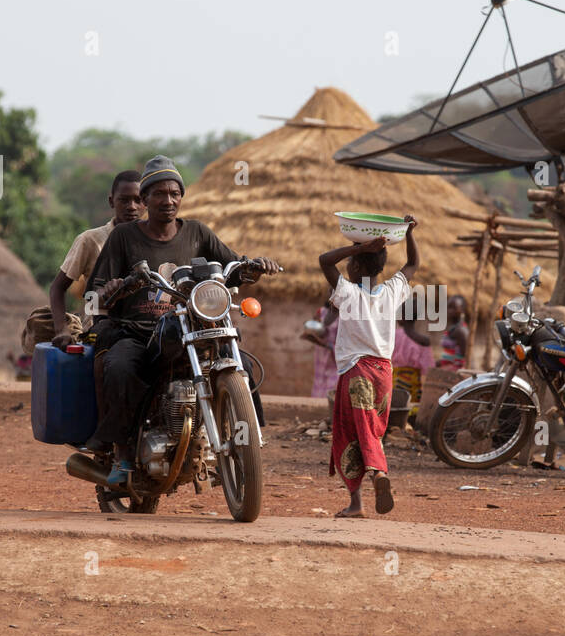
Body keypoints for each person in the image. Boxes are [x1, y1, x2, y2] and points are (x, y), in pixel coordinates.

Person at [86, 155, 281, 486]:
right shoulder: (123, 237)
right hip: (137, 332)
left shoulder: (197, 233)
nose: (168, 200)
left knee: (242, 366)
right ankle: (122, 454)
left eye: (174, 193)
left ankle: (247, 441)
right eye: (159, 194)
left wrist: (254, 267)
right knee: (119, 367)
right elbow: (92, 296)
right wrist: (113, 289)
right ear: (145, 199)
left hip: (188, 325)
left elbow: (233, 268)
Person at [319, 216, 419, 518]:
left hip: (356, 373)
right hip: (384, 374)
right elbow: (413, 264)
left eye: (353, 259)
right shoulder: (392, 291)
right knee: (371, 429)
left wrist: (357, 248)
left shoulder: (349, 293)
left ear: (357, 267)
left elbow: (324, 261)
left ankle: (374, 479)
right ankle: (364, 494)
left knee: (353, 432)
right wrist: (410, 233)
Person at [49, 169, 143, 349]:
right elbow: (57, 287)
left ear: (146, 201)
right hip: (98, 327)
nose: (132, 206)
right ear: (111, 201)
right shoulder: (90, 240)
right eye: (124, 200)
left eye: (138, 200)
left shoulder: (154, 240)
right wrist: (61, 329)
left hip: (142, 326)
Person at [438, 294, 469, 369]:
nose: (449, 311)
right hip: (446, 369)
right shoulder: (454, 328)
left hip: (454, 373)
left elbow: (463, 358)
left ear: (462, 310)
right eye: (448, 307)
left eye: (453, 308)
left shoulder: (460, 331)